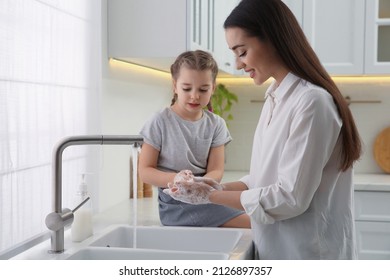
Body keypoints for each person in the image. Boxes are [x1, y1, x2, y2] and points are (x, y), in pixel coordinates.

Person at [164, 0, 362, 259]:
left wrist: (210, 196)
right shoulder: (275, 97)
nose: (237, 64)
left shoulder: (312, 102)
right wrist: (215, 187)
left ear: (273, 39)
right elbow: (262, 180)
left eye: (242, 52)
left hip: (309, 256)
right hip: (277, 250)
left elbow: (290, 197)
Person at [138, 50, 250, 228]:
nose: (195, 95)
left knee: (258, 215)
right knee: (257, 222)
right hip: (175, 206)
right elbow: (145, 171)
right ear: (175, 86)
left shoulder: (216, 124)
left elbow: (216, 171)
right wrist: (177, 179)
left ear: (213, 88)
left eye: (203, 89)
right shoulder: (159, 121)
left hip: (206, 197)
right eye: (187, 88)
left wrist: (199, 186)